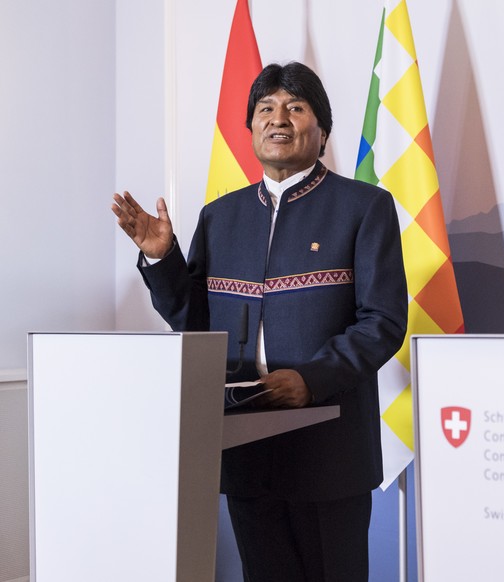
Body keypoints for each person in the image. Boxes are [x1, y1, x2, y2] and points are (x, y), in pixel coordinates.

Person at [112, 62, 408, 581]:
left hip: (331, 452)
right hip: (245, 449)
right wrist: (163, 260)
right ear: (250, 129)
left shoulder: (365, 207)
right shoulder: (219, 216)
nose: (279, 119)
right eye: (265, 109)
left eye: (295, 107)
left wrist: (310, 380)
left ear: (323, 130)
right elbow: (196, 322)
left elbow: (382, 321)